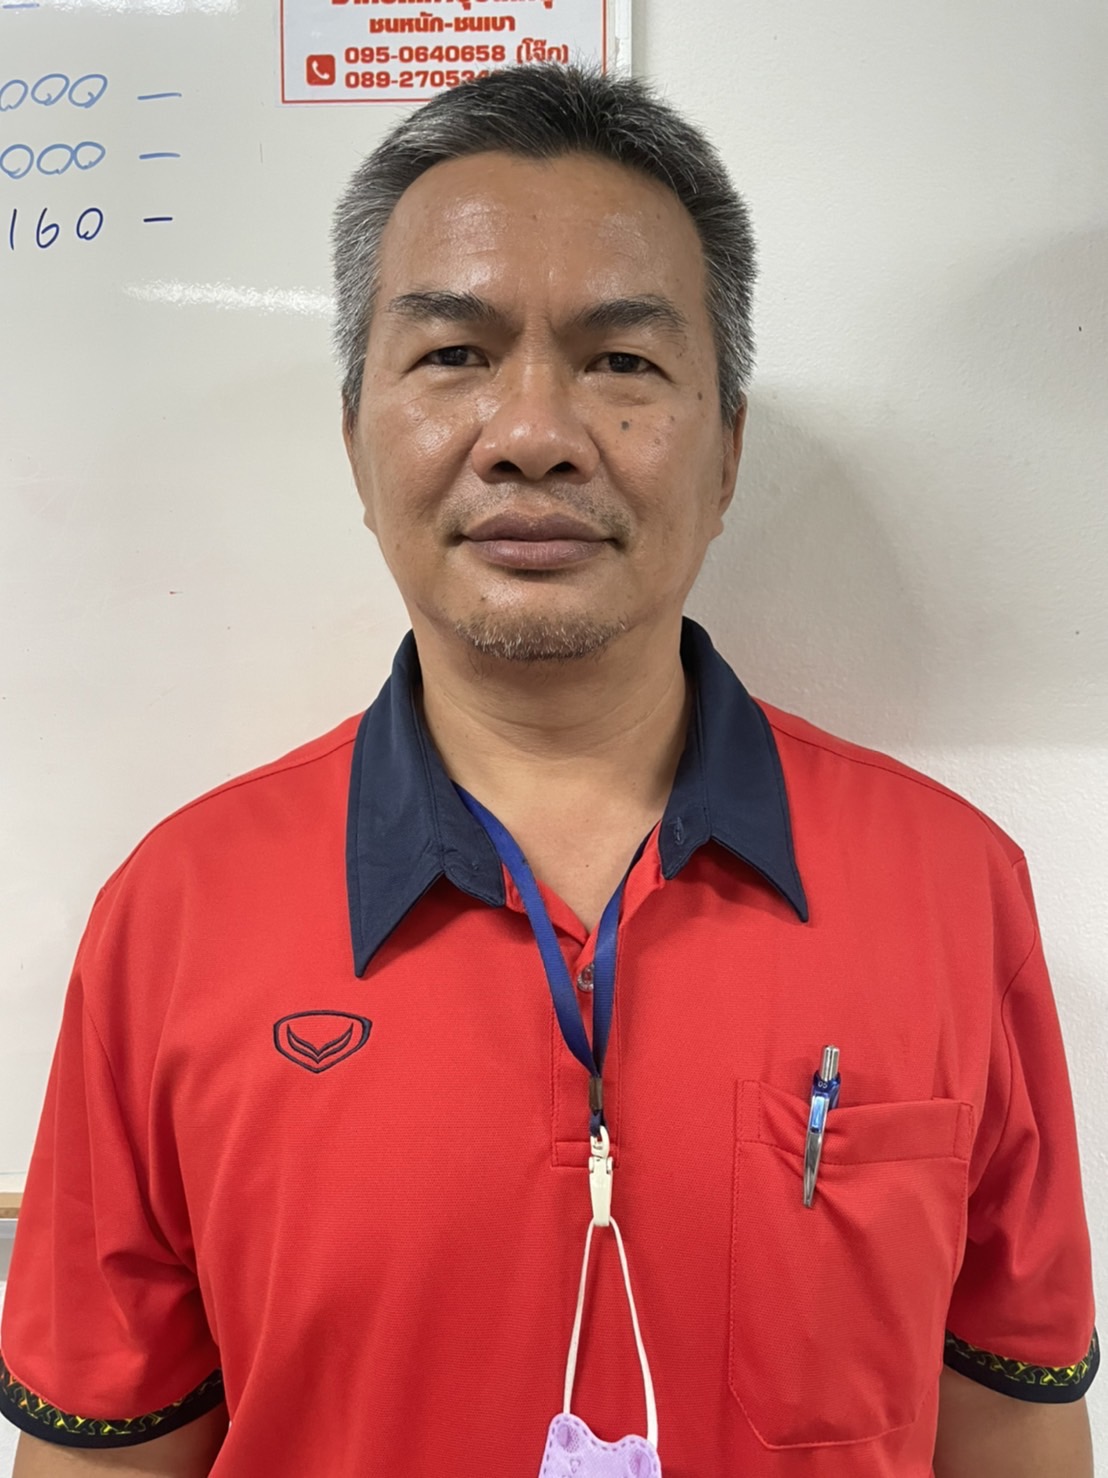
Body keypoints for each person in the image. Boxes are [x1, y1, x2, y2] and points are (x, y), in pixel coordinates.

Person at [0, 64, 1097, 1478]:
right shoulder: (173, 918)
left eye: (622, 361)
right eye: (454, 354)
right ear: (356, 438)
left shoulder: (954, 890)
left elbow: (1014, 1429)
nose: (531, 436)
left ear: (727, 453)